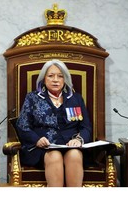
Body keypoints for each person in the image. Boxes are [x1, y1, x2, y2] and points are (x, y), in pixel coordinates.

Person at [16, 59, 92, 187]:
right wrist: (37, 139)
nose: (55, 80)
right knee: (54, 156)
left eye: (60, 76)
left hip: (70, 145)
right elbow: (22, 125)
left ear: (65, 79)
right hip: (44, 148)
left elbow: (86, 127)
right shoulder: (33, 98)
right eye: (51, 76)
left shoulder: (75, 98)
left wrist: (79, 139)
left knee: (74, 155)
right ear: (44, 79)